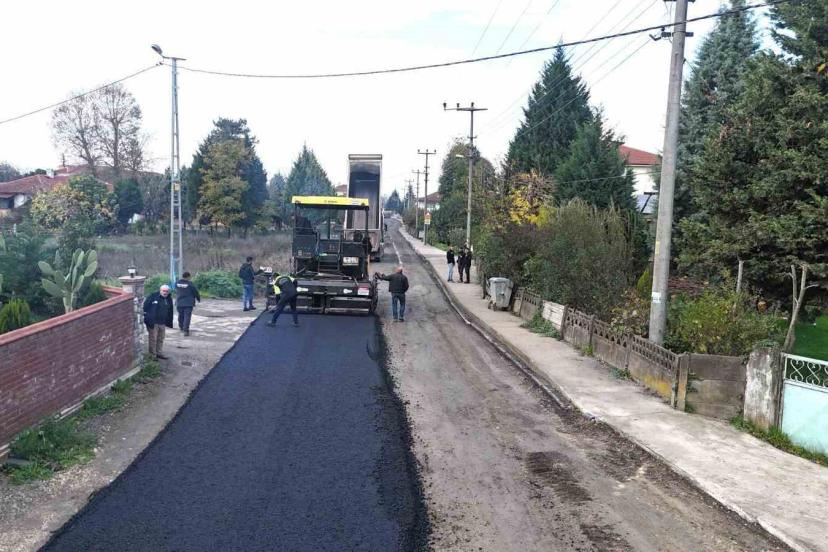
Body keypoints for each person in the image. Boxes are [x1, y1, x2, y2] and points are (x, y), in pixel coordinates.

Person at [143, 284, 174, 360]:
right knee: (153, 339)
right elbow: (145, 306)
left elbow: (170, 310)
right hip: (153, 322)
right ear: (160, 290)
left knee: (160, 338)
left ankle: (159, 353)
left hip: (162, 322)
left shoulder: (168, 298)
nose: (165, 292)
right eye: (163, 291)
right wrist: (148, 317)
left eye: (167, 291)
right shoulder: (153, 296)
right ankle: (152, 355)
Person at [175, 272, 201, 337]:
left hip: (179, 302)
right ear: (188, 277)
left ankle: (181, 327)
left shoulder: (177, 283)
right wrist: (198, 298)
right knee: (187, 316)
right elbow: (195, 292)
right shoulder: (190, 284)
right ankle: (186, 330)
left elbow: (176, 289)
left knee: (181, 315)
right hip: (188, 303)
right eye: (189, 277)